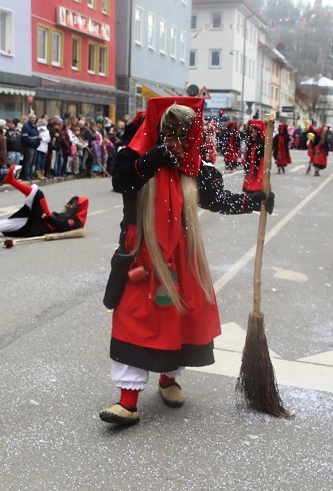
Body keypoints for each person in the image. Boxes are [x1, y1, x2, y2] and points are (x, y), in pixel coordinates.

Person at [98, 97, 273, 427]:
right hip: (141, 257)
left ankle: (169, 379)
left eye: (184, 134)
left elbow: (219, 200)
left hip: (182, 257)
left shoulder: (196, 167)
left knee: (176, 318)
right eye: (170, 134)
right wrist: (152, 161)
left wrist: (254, 201)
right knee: (134, 319)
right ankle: (127, 400)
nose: (176, 142)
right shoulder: (134, 158)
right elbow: (122, 181)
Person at [0, 164, 88, 238]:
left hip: (45, 225)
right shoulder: (70, 214)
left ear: (80, 207)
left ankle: (11, 181)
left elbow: (61, 226)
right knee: (9, 223)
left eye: (74, 204)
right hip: (42, 222)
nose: (70, 205)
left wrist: (46, 217)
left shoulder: (76, 221)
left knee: (38, 193)